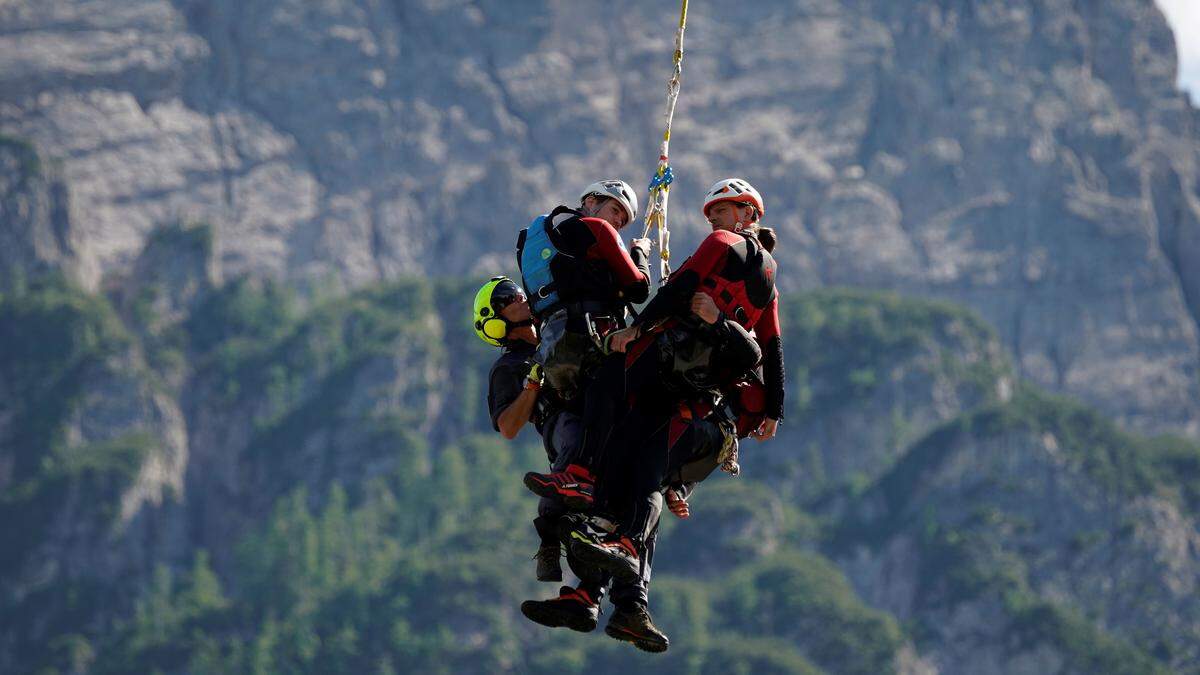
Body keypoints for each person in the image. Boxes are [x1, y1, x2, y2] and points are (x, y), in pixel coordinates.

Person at [565, 178, 786, 582]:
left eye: (718, 211)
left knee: (608, 391)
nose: (712, 220)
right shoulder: (770, 280)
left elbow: (681, 288)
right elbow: (771, 347)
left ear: (745, 213)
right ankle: (626, 542)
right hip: (702, 383)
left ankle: (582, 482)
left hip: (666, 360)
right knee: (648, 459)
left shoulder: (721, 242)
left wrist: (637, 329)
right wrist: (774, 410)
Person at [473, 276, 677, 651]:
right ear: (494, 320)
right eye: (507, 298)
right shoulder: (510, 366)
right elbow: (508, 426)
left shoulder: (560, 335)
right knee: (602, 483)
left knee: (638, 501)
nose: (520, 296)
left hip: (600, 430)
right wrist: (533, 384)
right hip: (565, 429)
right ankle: (558, 524)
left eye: (517, 292)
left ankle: (608, 600)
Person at [516, 180, 653, 506]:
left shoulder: (540, 236)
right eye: (616, 209)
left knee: (576, 421)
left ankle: (563, 506)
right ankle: (595, 490)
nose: (619, 220)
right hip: (590, 339)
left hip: (553, 348)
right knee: (614, 407)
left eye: (624, 218)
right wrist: (640, 253)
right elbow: (639, 288)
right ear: (591, 201)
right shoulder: (597, 229)